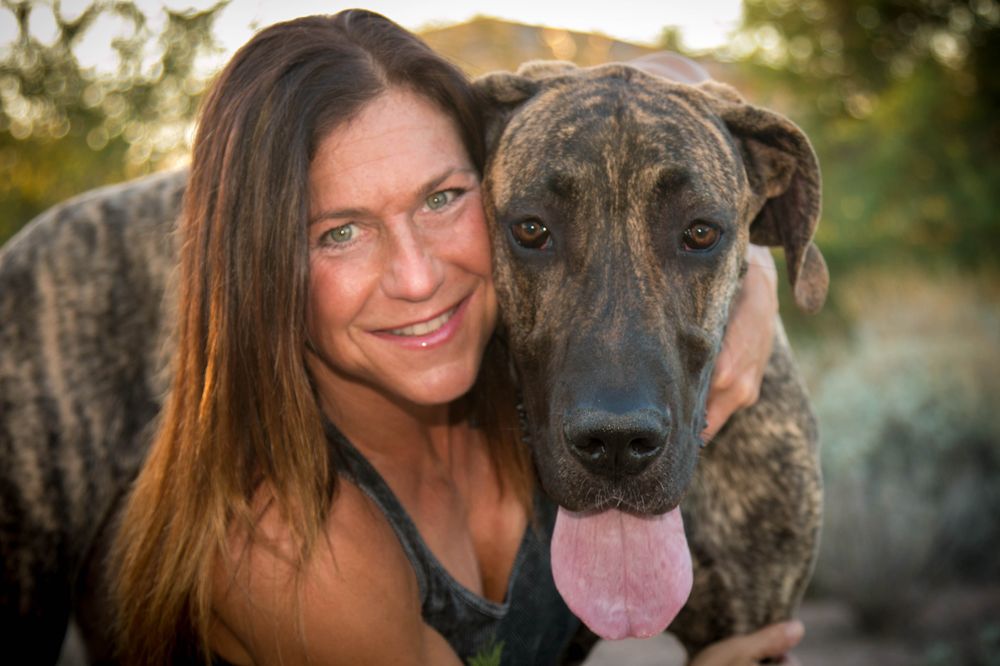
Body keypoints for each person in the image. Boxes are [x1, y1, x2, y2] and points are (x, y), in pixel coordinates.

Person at [113, 10, 801, 665]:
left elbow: (658, 87)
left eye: (441, 199)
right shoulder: (286, 549)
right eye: (340, 232)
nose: (417, 279)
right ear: (258, 269)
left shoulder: (504, 360)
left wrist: (748, 263)